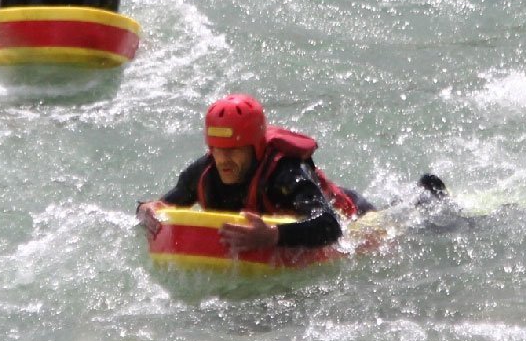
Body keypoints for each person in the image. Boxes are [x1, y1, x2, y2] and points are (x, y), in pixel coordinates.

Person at [149, 94, 374, 250]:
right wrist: (145, 210)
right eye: (218, 149)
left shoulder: (285, 172)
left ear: (255, 147)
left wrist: (275, 236)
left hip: (356, 218)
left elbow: (330, 225)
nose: (224, 160)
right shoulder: (204, 172)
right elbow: (163, 207)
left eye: (234, 150)